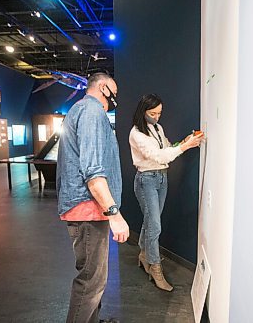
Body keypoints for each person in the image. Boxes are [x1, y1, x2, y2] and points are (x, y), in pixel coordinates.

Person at [56, 72, 130, 323]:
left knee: (94, 277)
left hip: (87, 207)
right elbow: (93, 171)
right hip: (88, 208)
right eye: (114, 93)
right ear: (103, 87)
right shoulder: (92, 112)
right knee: (91, 281)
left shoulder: (79, 111)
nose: (114, 99)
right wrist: (115, 214)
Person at [129, 93, 204, 291]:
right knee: (155, 225)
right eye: (153, 113)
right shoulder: (136, 134)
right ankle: (155, 267)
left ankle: (144, 255)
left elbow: (168, 148)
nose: (157, 116)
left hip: (161, 178)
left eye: (160, 113)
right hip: (146, 180)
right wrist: (186, 147)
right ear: (142, 111)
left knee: (150, 221)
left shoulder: (157, 128)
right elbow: (159, 156)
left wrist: (183, 142)